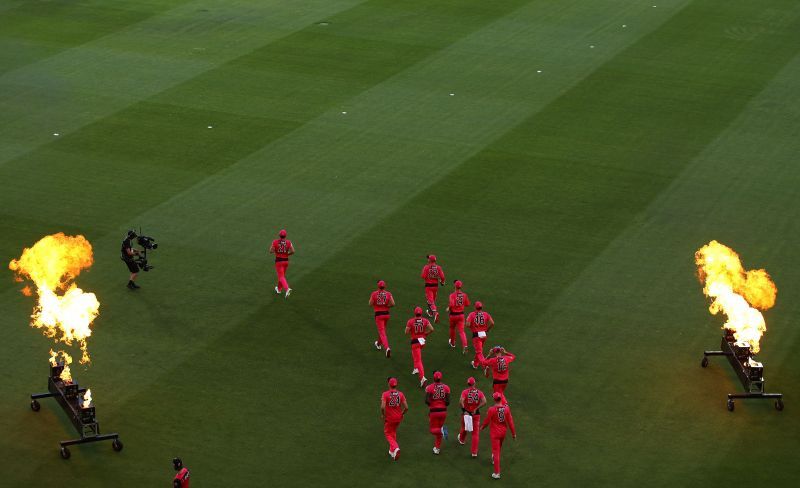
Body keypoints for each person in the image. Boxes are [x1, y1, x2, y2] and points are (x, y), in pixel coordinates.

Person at [480, 392, 516, 479]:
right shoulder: (506, 409)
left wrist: (482, 427)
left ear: (494, 399)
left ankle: (497, 473)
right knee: (498, 449)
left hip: (495, 433)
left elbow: (487, 421)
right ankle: (494, 457)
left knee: (496, 452)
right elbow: (510, 422)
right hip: (503, 432)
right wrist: (513, 433)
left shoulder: (491, 409)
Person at [405, 307, 434, 387]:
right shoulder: (425, 320)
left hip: (415, 341)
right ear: (421, 313)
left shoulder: (410, 321)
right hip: (422, 341)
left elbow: (406, 332)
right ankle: (415, 369)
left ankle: (422, 378)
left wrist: (412, 332)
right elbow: (432, 329)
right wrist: (425, 334)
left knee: (418, 360)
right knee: (416, 354)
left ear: (414, 313)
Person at [458, 377, 486, 457]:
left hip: (466, 413)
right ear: (474, 383)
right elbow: (484, 401)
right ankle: (474, 452)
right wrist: (477, 408)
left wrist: (464, 410)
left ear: (468, 384)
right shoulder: (479, 392)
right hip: (476, 414)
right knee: (475, 434)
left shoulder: (465, 392)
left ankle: (462, 440)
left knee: (464, 427)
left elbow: (461, 401)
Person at [381, 377, 408, 461]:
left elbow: (382, 407)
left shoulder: (385, 394)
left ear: (389, 384)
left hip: (390, 418)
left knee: (387, 433)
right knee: (393, 431)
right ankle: (392, 451)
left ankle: (396, 448)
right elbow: (406, 407)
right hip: (398, 418)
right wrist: (402, 414)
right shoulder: (401, 394)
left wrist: (383, 415)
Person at [425, 371, 450, 455]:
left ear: (434, 378)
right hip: (443, 411)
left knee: (433, 430)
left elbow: (427, 400)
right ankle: (437, 448)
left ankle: (442, 431)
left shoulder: (430, 387)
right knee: (439, 428)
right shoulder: (446, 387)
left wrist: (432, 404)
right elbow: (448, 402)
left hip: (434, 411)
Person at [369, 280, 395, 358]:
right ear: (385, 286)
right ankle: (378, 343)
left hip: (379, 315)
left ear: (378, 286)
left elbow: (370, 303)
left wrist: (377, 305)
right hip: (386, 314)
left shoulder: (374, 294)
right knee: (382, 330)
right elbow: (393, 304)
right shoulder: (388, 294)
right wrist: (386, 306)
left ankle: (387, 348)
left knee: (382, 332)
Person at [467, 302, 495, 370]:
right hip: (484, 335)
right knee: (479, 350)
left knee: (479, 352)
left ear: (475, 307)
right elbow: (492, 323)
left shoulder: (472, 314)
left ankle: (485, 365)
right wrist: (487, 329)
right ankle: (475, 364)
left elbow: (467, 324)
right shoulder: (486, 314)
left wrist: (472, 327)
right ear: (481, 307)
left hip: (477, 336)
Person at [446, 280, 471, 353]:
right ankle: (465, 345)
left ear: (455, 286)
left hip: (453, 315)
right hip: (461, 315)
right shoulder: (464, 295)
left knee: (452, 328)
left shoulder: (452, 295)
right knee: (462, 332)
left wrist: (448, 308)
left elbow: (452, 304)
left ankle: (453, 343)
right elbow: (467, 304)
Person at [268, 229, 295, 298]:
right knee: (282, 276)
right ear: (285, 236)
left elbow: (270, 251)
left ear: (279, 235)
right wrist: (287, 254)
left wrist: (277, 252)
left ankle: (287, 289)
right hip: (286, 261)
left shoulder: (275, 242)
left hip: (279, 261)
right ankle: (279, 289)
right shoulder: (289, 242)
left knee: (281, 276)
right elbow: (293, 251)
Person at [420, 255, 445, 322]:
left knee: (430, 300)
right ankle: (430, 313)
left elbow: (423, 276)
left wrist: (428, 277)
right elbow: (442, 277)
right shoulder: (438, 267)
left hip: (428, 286)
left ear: (429, 260)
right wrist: (442, 282)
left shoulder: (426, 267)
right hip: (435, 286)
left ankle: (435, 313)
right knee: (432, 300)